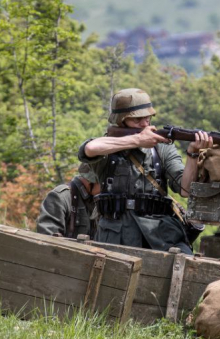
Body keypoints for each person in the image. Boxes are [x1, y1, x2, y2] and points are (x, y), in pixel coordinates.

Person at [78, 88, 213, 254]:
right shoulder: (109, 146)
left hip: (160, 236)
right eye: (137, 119)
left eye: (147, 118)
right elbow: (90, 148)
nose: (144, 124)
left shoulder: (161, 148)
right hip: (115, 237)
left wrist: (193, 154)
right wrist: (137, 140)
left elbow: (185, 190)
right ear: (121, 121)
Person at [36, 163, 101, 238]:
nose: (107, 188)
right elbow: (47, 239)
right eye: (104, 183)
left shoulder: (98, 200)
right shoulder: (60, 197)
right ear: (91, 181)